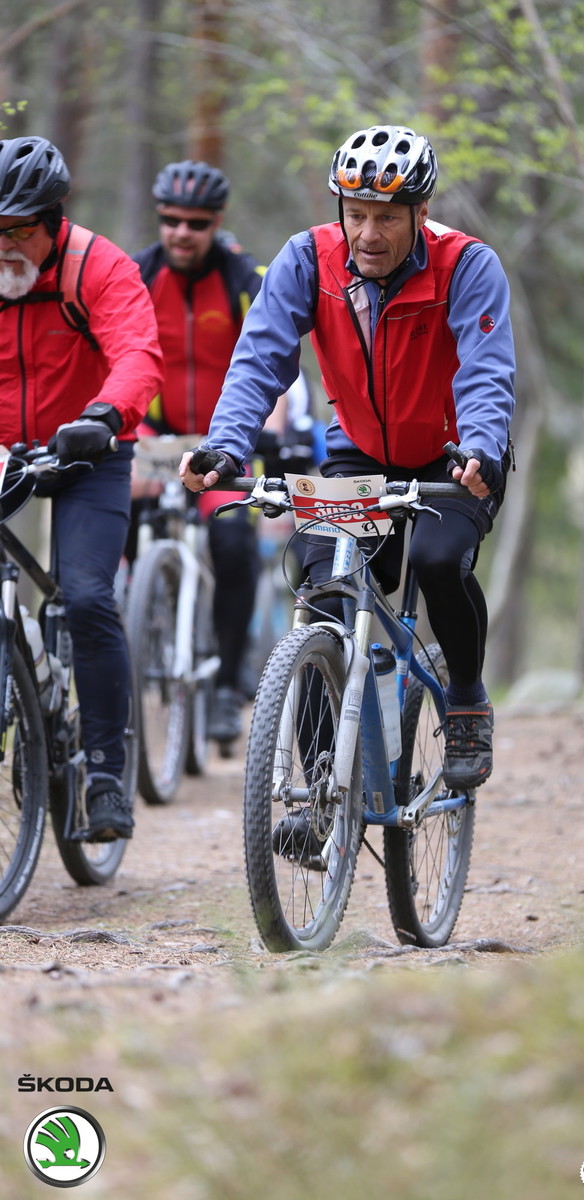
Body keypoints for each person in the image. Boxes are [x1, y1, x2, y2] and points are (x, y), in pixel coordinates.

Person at [180, 123, 516, 797]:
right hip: (358, 451)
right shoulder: (308, 259)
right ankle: (318, 793)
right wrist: (225, 443)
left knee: (435, 561)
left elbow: (485, 374)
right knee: (326, 592)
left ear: (421, 214)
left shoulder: (467, 265)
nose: (368, 232)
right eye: (356, 214)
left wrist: (481, 448)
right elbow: (259, 361)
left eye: (387, 217)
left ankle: (468, 698)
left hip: (454, 457)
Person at [0, 135, 163, 840]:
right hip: (5, 449)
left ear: (53, 219)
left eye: (17, 232)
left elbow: (137, 353)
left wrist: (102, 416)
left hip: (87, 446)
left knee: (90, 595)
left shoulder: (99, 265)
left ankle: (103, 771)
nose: (3, 246)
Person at [131, 159, 268, 747]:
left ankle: (222, 689)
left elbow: (272, 364)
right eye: (170, 220)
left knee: (234, 546)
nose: (180, 232)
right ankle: (139, 639)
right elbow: (119, 358)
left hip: (222, 447)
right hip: (155, 440)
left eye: (195, 223)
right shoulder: (137, 274)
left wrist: (273, 435)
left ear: (216, 223)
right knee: (116, 532)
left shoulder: (241, 277)